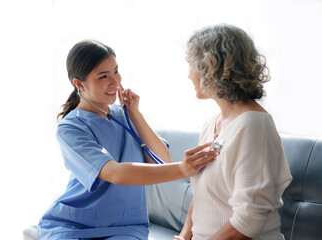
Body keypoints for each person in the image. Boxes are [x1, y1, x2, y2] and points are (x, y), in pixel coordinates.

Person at [38, 39, 218, 240]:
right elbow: (114, 173)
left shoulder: (126, 116)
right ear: (79, 84)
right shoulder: (70, 128)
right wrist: (183, 169)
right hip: (74, 223)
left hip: (126, 226)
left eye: (116, 71)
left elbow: (161, 158)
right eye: (103, 76)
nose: (115, 82)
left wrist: (135, 114)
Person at [175, 24, 293, 240]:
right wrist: (184, 235)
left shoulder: (253, 124)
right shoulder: (212, 124)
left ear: (211, 68)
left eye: (192, 65)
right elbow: (203, 195)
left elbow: (249, 218)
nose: (189, 74)